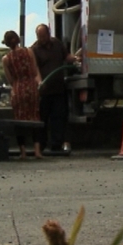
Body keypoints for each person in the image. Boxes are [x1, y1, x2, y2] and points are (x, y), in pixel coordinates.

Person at [31, 24, 78, 155]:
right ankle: (42, 145)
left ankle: (56, 145)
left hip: (58, 89)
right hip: (44, 92)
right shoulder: (34, 49)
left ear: (49, 34)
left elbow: (66, 56)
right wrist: (40, 82)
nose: (42, 39)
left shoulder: (57, 44)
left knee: (59, 117)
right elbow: (35, 70)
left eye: (44, 36)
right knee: (43, 119)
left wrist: (74, 58)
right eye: (39, 36)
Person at [1, 30, 43, 159]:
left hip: (18, 89)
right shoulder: (28, 51)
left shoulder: (6, 59)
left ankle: (23, 152)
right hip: (31, 87)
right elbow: (35, 69)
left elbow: (10, 79)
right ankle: (37, 151)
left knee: (19, 120)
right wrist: (39, 83)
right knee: (35, 117)